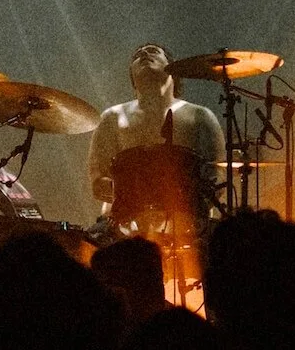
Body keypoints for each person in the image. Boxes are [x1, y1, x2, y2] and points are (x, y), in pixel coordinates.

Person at [87, 44, 224, 243]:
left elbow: (218, 176)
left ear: (173, 68)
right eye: (137, 55)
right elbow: (98, 181)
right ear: (132, 77)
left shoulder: (200, 116)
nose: (144, 55)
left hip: (188, 225)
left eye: (152, 51)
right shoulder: (111, 118)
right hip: (123, 225)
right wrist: (135, 199)